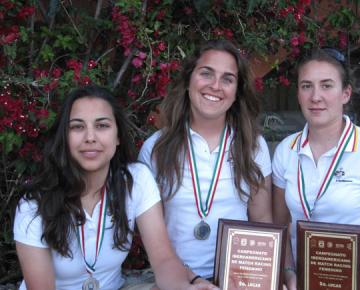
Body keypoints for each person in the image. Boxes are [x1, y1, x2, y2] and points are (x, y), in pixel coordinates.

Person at [13, 86, 218, 290]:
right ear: (64, 138)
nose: (90, 137)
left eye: (102, 126)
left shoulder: (136, 180)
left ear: (118, 136)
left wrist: (186, 288)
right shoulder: (34, 204)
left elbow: (164, 259)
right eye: (77, 127)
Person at [138, 39, 273, 280]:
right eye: (206, 73)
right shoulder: (156, 148)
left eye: (228, 79)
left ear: (237, 92)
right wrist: (189, 280)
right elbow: (154, 241)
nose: (215, 86)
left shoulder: (253, 146)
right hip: (177, 281)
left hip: (238, 280)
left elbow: (262, 221)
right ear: (189, 80)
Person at [272, 48, 360, 290]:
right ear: (298, 93)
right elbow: (278, 227)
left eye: (327, 85)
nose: (315, 96)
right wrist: (288, 273)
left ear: (346, 93)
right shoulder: (285, 151)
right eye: (306, 86)